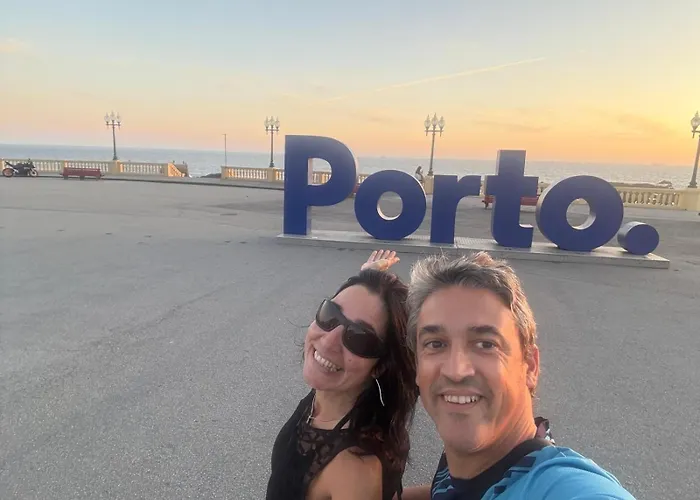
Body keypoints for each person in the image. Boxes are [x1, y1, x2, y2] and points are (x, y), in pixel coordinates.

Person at [400, 252, 636, 499]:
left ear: (530, 366)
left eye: (485, 344)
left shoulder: (565, 488)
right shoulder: (471, 460)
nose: (456, 371)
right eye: (436, 344)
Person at [266, 250, 419, 500]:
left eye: (359, 338)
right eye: (330, 314)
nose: (328, 341)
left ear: (381, 366)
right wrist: (365, 280)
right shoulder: (334, 398)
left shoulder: (354, 468)